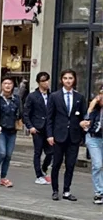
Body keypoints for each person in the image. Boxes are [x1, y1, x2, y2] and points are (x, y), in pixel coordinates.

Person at [45, 68, 87, 202]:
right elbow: (49, 118)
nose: (68, 81)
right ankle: (55, 190)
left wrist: (82, 127)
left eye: (70, 78)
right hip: (58, 135)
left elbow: (83, 116)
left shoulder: (79, 97)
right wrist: (49, 135)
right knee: (56, 164)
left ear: (74, 80)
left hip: (73, 136)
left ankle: (67, 190)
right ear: (61, 80)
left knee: (70, 164)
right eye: (65, 78)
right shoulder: (54, 96)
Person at [23, 71, 53, 184]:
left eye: (47, 80)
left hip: (49, 128)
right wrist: (30, 126)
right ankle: (38, 174)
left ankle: (44, 168)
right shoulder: (32, 96)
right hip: (37, 128)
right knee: (38, 152)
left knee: (50, 152)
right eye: (43, 81)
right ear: (38, 82)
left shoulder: (52, 95)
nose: (46, 83)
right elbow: (26, 113)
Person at [0, 76, 22, 187]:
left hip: (12, 130)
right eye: (5, 83)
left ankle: (3, 178)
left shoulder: (16, 99)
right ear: (1, 85)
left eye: (10, 83)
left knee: (8, 155)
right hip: (1, 129)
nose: (7, 86)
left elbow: (21, 113)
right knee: (2, 153)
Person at [81, 82, 103, 205]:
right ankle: (99, 192)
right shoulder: (94, 108)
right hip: (93, 138)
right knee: (98, 164)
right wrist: (92, 105)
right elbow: (85, 121)